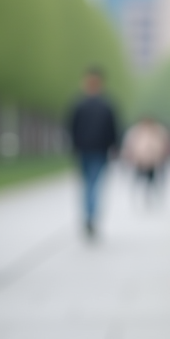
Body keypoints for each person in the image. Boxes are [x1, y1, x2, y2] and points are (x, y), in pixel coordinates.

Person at [66, 66, 120, 237]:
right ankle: (91, 216)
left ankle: (89, 216)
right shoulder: (104, 105)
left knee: (89, 184)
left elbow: (71, 128)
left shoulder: (80, 104)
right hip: (94, 150)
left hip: (92, 150)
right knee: (93, 184)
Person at [121, 117, 170, 205]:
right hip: (142, 160)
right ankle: (142, 196)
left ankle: (150, 197)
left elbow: (163, 145)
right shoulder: (137, 131)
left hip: (152, 160)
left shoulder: (157, 131)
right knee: (141, 179)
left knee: (151, 180)